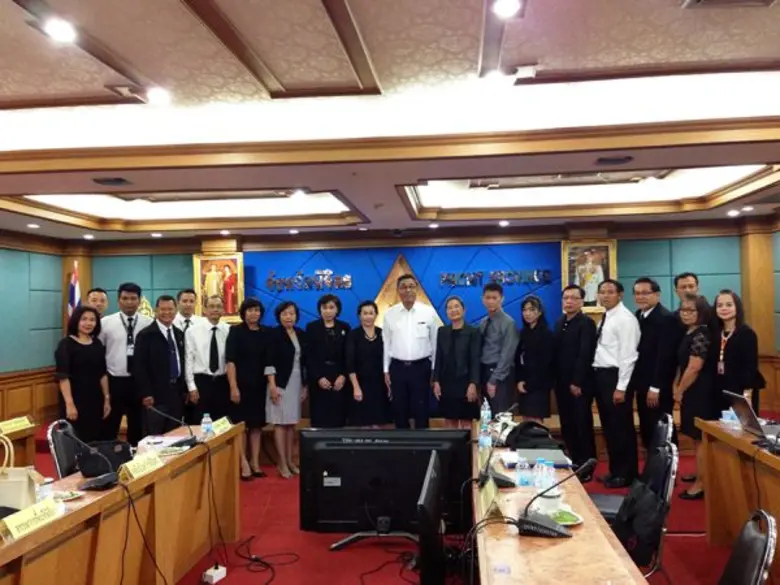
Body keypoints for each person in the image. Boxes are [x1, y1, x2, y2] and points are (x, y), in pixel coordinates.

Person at [592, 279, 641, 488]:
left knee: (621, 427)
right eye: (602, 292)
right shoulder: (607, 316)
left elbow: (629, 356)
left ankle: (626, 474)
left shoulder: (625, 319)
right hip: (602, 377)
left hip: (616, 378)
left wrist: (621, 387)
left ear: (620, 295)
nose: (605, 296)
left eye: (610, 292)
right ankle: (615, 470)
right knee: (610, 427)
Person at [99, 282, 153, 445]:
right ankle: (109, 456)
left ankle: (136, 457)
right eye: (125, 298)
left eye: (133, 298)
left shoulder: (149, 323)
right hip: (114, 380)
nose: (129, 302)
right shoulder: (105, 323)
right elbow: (99, 352)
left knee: (137, 425)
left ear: (139, 301)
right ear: (118, 301)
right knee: (110, 424)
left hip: (139, 382)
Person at [383, 274, 439, 429]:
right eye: (403, 287)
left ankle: (423, 442)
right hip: (397, 368)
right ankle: (403, 443)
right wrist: (386, 370)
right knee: (399, 409)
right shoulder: (390, 314)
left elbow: (435, 343)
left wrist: (434, 370)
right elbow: (386, 344)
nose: (407, 290)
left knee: (422, 408)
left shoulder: (428, 312)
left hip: (421, 367)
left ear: (416, 289)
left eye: (411, 286)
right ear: (398, 290)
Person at [552, 285, 597, 478]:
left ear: (581, 301)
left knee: (581, 424)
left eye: (573, 298)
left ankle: (587, 465)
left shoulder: (586, 323)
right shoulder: (560, 322)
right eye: (566, 298)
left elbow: (585, 354)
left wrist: (577, 381)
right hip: (561, 382)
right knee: (567, 423)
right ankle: (574, 460)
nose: (569, 301)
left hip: (579, 384)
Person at [675, 294, 716, 500]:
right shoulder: (689, 331)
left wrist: (680, 390)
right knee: (694, 437)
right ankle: (700, 473)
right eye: (683, 309)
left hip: (701, 392)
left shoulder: (702, 333)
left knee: (701, 439)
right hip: (692, 391)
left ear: (702, 312)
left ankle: (702, 484)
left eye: (691, 310)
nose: (686, 314)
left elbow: (694, 367)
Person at [629, 277, 679, 451]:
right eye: (637, 293)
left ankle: (667, 465)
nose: (640, 297)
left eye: (645, 293)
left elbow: (666, 357)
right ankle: (652, 465)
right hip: (642, 383)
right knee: (647, 428)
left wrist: (656, 387)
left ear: (657, 295)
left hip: (657, 386)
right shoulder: (638, 316)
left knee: (662, 429)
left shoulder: (666, 318)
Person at [226, 298, 271, 480]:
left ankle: (255, 462)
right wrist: (233, 387)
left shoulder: (266, 333)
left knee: (256, 425)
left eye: (257, 310)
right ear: (243, 313)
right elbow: (230, 361)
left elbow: (269, 361)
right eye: (250, 310)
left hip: (260, 386)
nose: (254, 313)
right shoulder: (236, 331)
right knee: (242, 426)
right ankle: (243, 462)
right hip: (241, 386)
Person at [54, 306, 111, 443]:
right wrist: (69, 404)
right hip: (75, 399)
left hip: (95, 400)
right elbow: (63, 376)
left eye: (92, 320)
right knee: (74, 441)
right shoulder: (66, 344)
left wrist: (106, 399)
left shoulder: (97, 343)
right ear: (76, 321)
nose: (88, 323)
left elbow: (102, 374)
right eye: (84, 319)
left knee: (94, 439)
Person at [134, 295, 187, 436]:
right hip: (155, 395)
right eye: (163, 309)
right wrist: (146, 393)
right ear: (156, 310)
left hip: (176, 393)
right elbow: (139, 367)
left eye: (170, 309)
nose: (167, 312)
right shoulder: (146, 335)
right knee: (155, 436)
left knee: (175, 435)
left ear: (176, 311)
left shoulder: (179, 334)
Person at [266, 301, 307, 479]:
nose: (288, 317)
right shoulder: (273, 334)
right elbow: (269, 361)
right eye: (284, 314)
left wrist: (305, 386)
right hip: (280, 383)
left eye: (291, 313)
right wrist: (272, 386)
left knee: (291, 424)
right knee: (280, 424)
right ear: (279, 316)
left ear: (296, 315)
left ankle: (291, 461)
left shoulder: (301, 333)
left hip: (297, 382)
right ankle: (281, 463)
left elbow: (305, 362)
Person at [713, 290, 765, 414]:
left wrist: (747, 395)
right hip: (719, 389)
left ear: (737, 307)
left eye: (729, 305)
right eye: (719, 305)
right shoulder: (715, 333)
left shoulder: (747, 334)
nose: (724, 308)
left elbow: (750, 368)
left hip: (740, 391)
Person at [432, 297, 481, 428]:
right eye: (450, 308)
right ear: (447, 312)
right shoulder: (442, 331)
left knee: (466, 421)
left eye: (456, 306)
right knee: (449, 420)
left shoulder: (473, 332)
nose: (453, 310)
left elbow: (475, 359)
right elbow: (438, 357)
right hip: (447, 383)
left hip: (465, 382)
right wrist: (436, 380)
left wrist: (473, 383)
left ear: (464, 310)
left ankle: (468, 443)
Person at [306, 294, 351, 428]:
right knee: (320, 418)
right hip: (319, 379)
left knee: (338, 417)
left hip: (339, 378)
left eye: (331, 307)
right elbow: (309, 356)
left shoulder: (345, 327)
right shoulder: (312, 327)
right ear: (320, 309)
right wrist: (318, 377)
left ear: (337, 310)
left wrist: (343, 376)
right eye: (324, 308)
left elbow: (348, 355)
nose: (328, 311)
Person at [185, 295, 230, 422]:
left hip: (223, 382)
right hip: (201, 382)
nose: (215, 309)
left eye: (218, 306)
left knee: (222, 422)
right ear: (204, 309)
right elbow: (189, 359)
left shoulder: (229, 330)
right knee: (201, 422)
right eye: (211, 306)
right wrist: (191, 387)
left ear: (223, 310)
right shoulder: (192, 331)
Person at [347, 301, 391, 428]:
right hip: (360, 384)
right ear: (359, 316)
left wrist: (389, 384)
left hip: (380, 385)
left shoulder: (383, 333)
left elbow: (388, 359)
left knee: (379, 423)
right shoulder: (353, 335)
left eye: (371, 313)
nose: (368, 316)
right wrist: (356, 386)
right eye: (365, 313)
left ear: (376, 315)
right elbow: (350, 363)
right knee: (363, 424)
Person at [479, 283, 518, 414]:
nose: (491, 301)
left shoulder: (508, 323)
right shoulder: (483, 322)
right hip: (484, 372)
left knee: (501, 415)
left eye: (494, 298)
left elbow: (507, 355)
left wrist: (494, 380)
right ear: (483, 299)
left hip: (500, 375)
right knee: (487, 415)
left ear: (502, 299)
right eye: (488, 297)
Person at [515, 295, 554, 422]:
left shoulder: (546, 334)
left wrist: (530, 385)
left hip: (539, 386)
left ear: (540, 312)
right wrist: (520, 380)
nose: (527, 313)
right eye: (524, 310)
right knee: (526, 420)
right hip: (524, 384)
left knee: (536, 422)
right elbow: (518, 358)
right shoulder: (523, 333)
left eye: (532, 310)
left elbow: (546, 364)